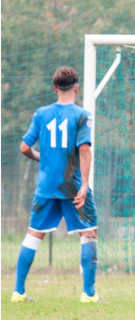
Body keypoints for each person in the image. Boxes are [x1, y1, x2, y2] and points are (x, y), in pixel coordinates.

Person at [12, 67, 102, 303]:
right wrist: (84, 185)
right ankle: (89, 294)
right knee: (89, 232)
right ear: (76, 88)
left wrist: (41, 157)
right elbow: (84, 150)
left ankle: (18, 292)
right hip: (72, 186)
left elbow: (23, 147)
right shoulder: (82, 115)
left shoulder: (41, 113)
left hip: (46, 187)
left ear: (54, 88)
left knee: (33, 235)